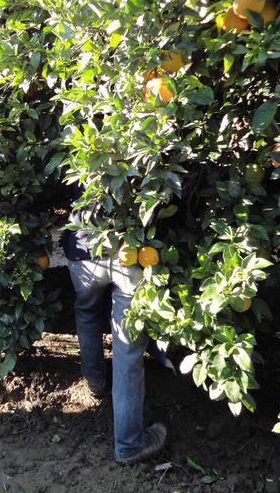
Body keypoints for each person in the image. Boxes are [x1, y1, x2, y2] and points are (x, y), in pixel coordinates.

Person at [62, 186, 168, 465]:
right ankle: (129, 445)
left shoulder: (69, 140)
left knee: (86, 313)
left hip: (83, 246)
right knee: (128, 348)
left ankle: (96, 383)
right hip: (129, 250)